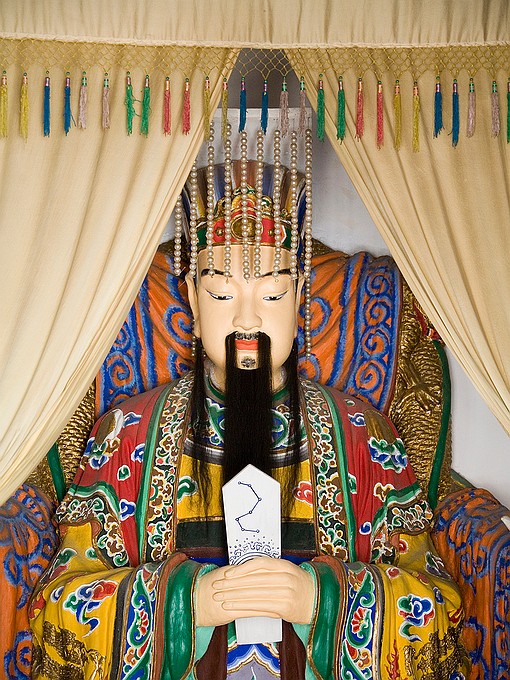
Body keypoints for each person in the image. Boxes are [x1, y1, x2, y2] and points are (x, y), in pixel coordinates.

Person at [29, 163, 469, 679]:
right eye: (221, 294)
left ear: (300, 298)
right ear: (193, 301)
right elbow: (59, 607)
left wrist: (324, 602)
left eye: (272, 294)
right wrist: (183, 605)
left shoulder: (360, 435)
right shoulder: (128, 433)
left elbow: (436, 610)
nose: (246, 318)